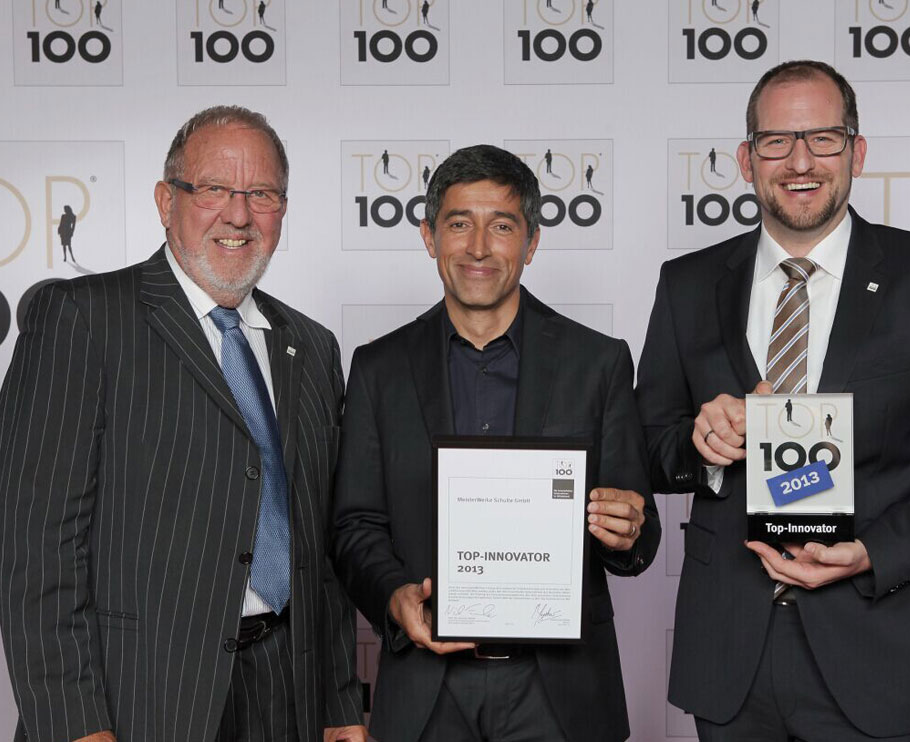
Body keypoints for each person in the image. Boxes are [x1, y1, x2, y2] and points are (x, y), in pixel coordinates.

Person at [636, 59, 910, 741]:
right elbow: (649, 446)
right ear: (746, 160)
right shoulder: (686, 285)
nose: (799, 161)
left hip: (881, 651)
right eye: (776, 141)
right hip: (730, 659)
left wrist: (873, 552)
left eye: (823, 139)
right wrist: (700, 445)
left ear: (855, 152)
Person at [0, 106, 365, 742]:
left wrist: (339, 706)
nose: (239, 215)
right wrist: (74, 726)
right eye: (215, 188)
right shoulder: (81, 319)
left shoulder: (312, 347)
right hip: (136, 701)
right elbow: (34, 550)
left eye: (262, 194)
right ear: (167, 201)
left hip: (287, 698)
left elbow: (317, 551)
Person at [332, 144, 660, 742]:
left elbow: (640, 529)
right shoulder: (378, 368)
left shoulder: (598, 362)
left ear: (531, 243)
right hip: (427, 687)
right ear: (429, 237)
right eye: (460, 224)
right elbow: (355, 524)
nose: (479, 247)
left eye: (502, 226)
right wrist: (394, 597)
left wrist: (629, 531)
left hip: (561, 692)